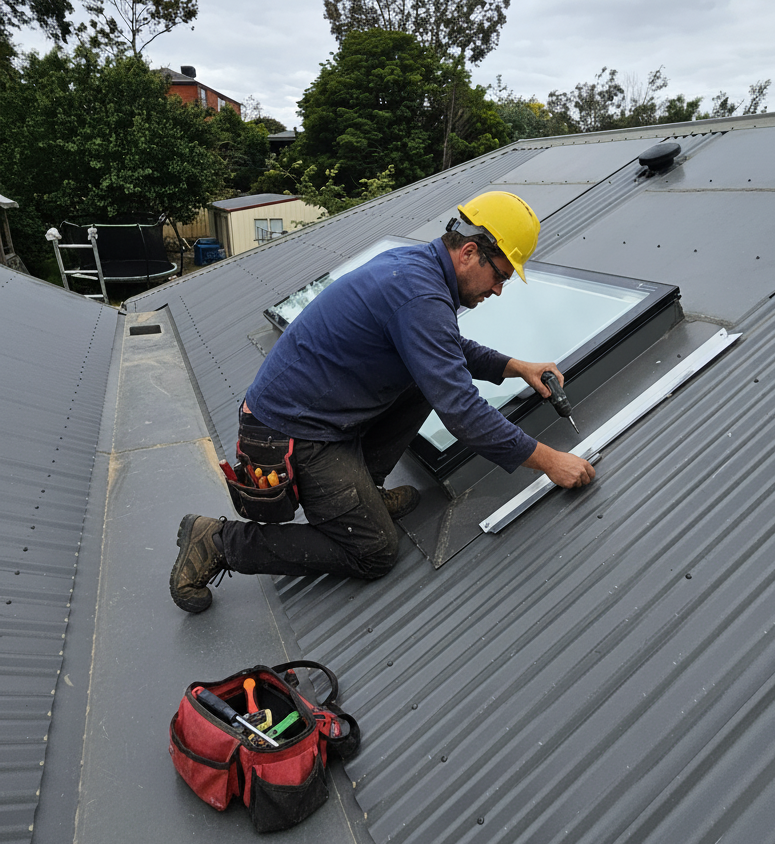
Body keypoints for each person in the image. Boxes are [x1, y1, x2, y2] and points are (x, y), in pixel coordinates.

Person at [169, 191, 595, 612]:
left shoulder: (417, 267)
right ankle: (218, 541)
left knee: (425, 376)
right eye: (500, 275)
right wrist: (551, 461)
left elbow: (443, 349)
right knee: (373, 551)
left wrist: (515, 366)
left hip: (316, 415)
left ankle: (364, 491)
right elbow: (463, 412)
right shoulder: (420, 294)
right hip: (291, 434)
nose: (499, 290)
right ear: (469, 252)